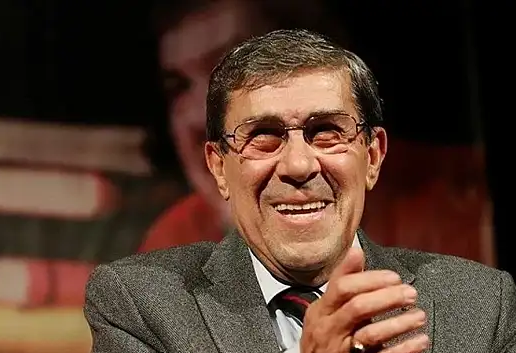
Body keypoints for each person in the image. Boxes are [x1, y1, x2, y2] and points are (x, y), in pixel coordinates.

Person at [81, 29, 516, 353]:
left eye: (326, 132)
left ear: (372, 156)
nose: (298, 166)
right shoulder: (140, 300)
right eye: (264, 136)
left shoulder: (477, 301)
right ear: (219, 167)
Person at [139, 0, 493, 266]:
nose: (197, 118)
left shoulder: (459, 207)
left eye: (233, 69)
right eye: (178, 87)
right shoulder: (177, 240)